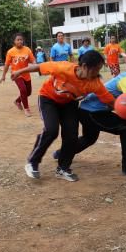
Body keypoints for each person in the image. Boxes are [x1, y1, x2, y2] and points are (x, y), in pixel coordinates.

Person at [11, 50, 114, 182]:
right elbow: (38, 67)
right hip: (48, 99)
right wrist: (19, 72)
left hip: (69, 104)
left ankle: (63, 168)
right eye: (95, 69)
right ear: (84, 66)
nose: (97, 73)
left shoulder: (95, 83)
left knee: (71, 135)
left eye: (99, 69)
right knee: (51, 130)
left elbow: (109, 100)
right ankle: (32, 162)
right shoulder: (63, 68)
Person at [0, 34, 36, 117]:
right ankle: (27, 109)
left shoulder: (27, 50)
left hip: (26, 74)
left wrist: (35, 65)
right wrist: (3, 76)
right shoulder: (10, 52)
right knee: (23, 90)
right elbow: (6, 65)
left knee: (28, 92)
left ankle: (17, 101)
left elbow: (33, 60)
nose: (20, 41)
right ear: (14, 41)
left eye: (21, 40)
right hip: (16, 74)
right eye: (18, 40)